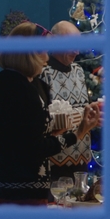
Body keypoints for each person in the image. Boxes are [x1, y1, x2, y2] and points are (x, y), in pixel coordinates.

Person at [0, 21, 100, 219]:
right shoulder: (26, 92)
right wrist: (78, 133)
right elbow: (35, 149)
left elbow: (14, 139)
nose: (47, 55)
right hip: (24, 194)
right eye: (44, 49)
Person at [38, 20, 96, 180]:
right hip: (55, 163)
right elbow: (43, 121)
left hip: (81, 164)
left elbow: (85, 110)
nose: (77, 51)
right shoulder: (42, 72)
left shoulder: (78, 71)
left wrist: (97, 116)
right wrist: (77, 118)